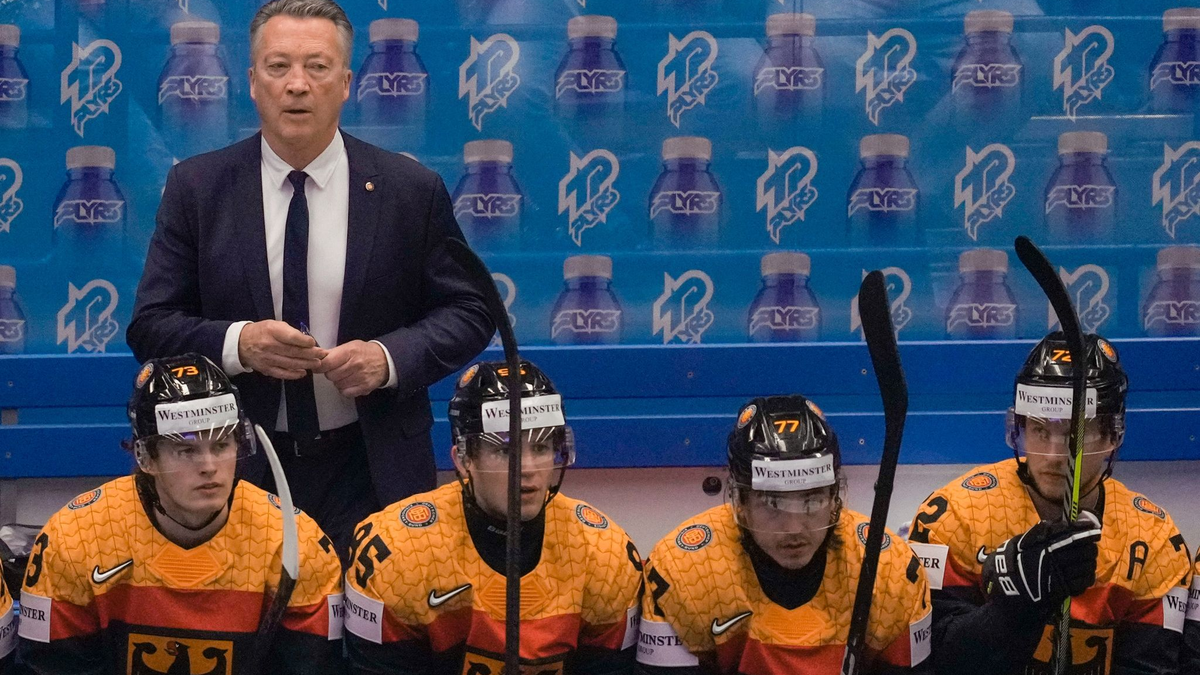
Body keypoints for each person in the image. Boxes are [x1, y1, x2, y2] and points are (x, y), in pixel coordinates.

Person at [126, 0, 493, 564]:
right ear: (253, 82)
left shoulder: (408, 189)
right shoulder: (198, 189)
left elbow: (469, 311)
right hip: (235, 467)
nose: (297, 85)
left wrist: (387, 359)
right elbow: (151, 325)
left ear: (346, 83)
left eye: (317, 67)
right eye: (279, 67)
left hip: (370, 466)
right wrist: (241, 344)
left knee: (373, 618)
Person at [17, 354, 344, 674]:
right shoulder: (74, 538)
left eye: (221, 445)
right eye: (186, 450)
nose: (209, 467)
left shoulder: (298, 543)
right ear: (146, 458)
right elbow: (51, 666)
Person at [909, 332, 1194, 675]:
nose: (1055, 456)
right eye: (1040, 430)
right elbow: (931, 663)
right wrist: (1008, 611)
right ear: (1019, 427)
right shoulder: (953, 515)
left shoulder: (1155, 540)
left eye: (1076, 434)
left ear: (1114, 434)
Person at [343, 360, 643, 674]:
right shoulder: (395, 550)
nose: (528, 468)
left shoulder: (605, 553)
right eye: (505, 450)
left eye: (541, 447)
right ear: (463, 459)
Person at [636, 395, 932, 674]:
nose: (794, 529)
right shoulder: (683, 572)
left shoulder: (891, 572)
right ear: (740, 504)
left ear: (834, 499)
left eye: (812, 501)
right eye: (772, 503)